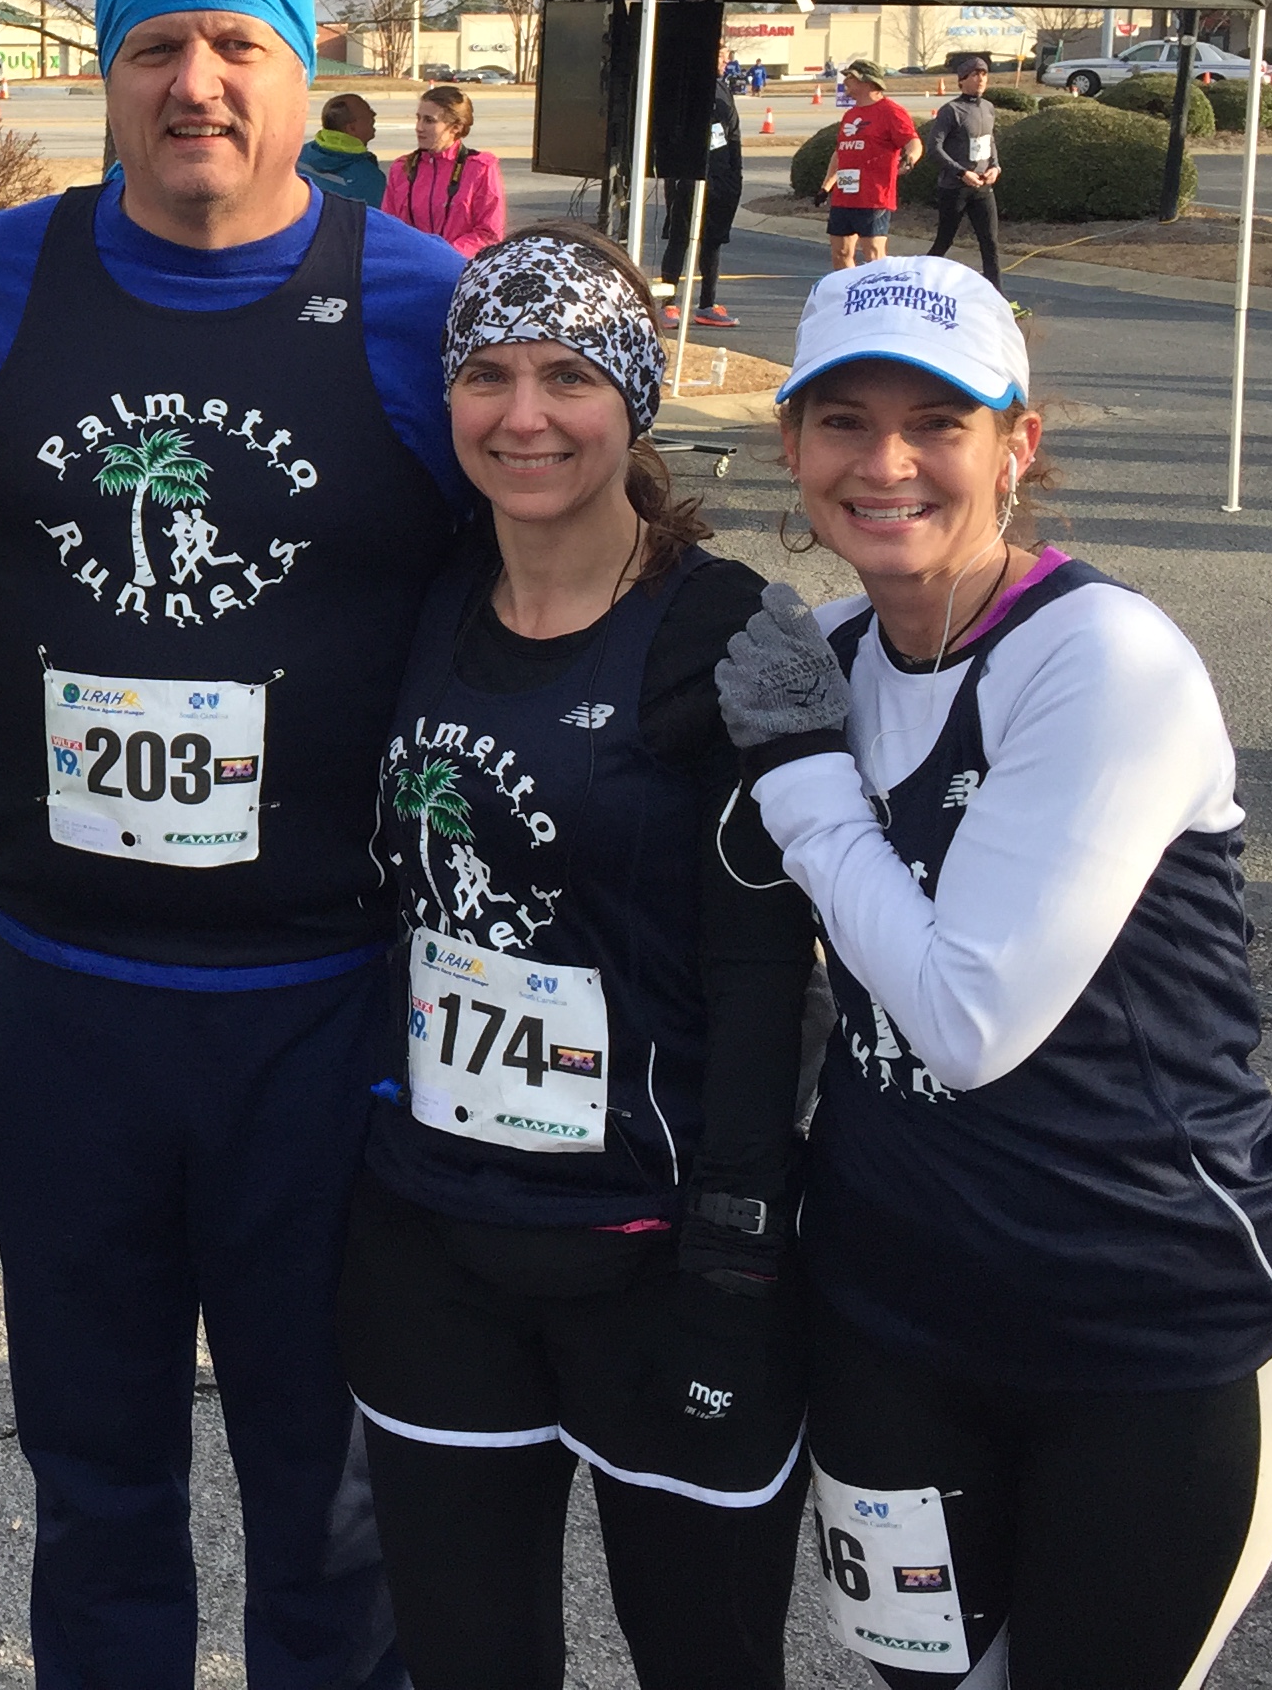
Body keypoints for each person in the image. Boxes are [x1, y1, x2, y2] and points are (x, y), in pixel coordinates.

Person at [0, 0, 467, 1690]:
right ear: (104, 74)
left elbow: (546, 581)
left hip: (324, 992)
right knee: (94, 1468)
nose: (194, 83)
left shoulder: (420, 301)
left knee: (327, 1479)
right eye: (153, 46)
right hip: (63, 986)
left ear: (305, 70)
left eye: (237, 42)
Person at [713, 256, 1272, 1688]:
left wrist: (800, 776)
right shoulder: (832, 653)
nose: (886, 465)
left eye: (939, 423)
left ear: (1017, 445)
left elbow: (967, 1017)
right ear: (792, 446)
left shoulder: (1104, 660)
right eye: (843, 422)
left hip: (1141, 1318)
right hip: (892, 1317)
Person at [338, 226, 816, 1690]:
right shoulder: (425, 602)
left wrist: (736, 1249)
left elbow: (765, 979)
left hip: (651, 1255)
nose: (524, 415)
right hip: (434, 1239)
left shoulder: (722, 631)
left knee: (704, 1659)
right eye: (487, 375)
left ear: (636, 399)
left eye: (568, 377)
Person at [655, 73, 747, 328]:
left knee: (712, 241)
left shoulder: (722, 88)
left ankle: (707, 305)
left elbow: (733, 135)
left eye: (725, 54)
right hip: (686, 176)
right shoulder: (683, 85)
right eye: (720, 54)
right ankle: (668, 305)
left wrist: (735, 176)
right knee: (679, 238)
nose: (723, 58)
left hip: (721, 176)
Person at [381, 81, 507, 256]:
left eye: (429, 121)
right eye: (418, 118)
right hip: (412, 265)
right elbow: (388, 228)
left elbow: (489, 233)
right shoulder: (401, 168)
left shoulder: (480, 168)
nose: (419, 127)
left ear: (455, 127)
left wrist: (443, 255)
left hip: (459, 265)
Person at [823, 62, 918, 269]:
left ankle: (878, 289)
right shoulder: (850, 114)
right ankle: (848, 289)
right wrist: (826, 186)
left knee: (873, 255)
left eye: (851, 77)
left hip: (874, 197)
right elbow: (840, 152)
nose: (846, 81)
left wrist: (909, 159)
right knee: (840, 252)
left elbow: (913, 142)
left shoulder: (891, 112)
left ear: (867, 82)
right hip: (844, 196)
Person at [924, 54, 1006, 291]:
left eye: (984, 74)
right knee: (944, 241)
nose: (980, 79)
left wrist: (995, 167)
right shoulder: (951, 110)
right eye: (974, 75)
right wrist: (961, 173)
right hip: (955, 188)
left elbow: (989, 141)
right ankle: (919, 284)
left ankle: (997, 297)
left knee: (990, 243)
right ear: (961, 81)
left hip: (982, 187)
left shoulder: (988, 108)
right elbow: (934, 149)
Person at [300, 89, 388, 204]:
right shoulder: (369, 178)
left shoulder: (299, 156)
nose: (374, 115)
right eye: (368, 112)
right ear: (352, 128)